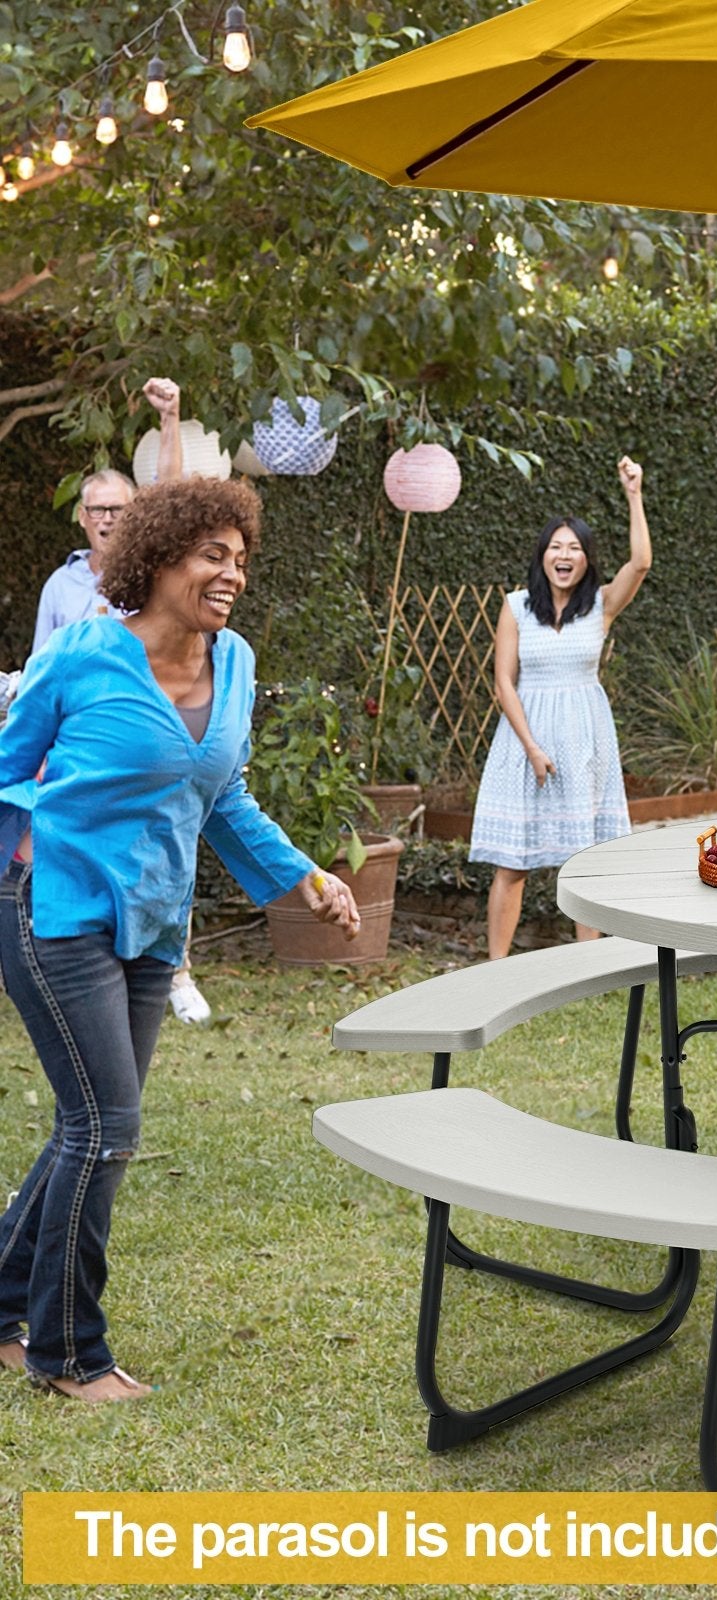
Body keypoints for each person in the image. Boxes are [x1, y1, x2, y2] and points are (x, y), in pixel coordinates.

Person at [0, 478, 359, 1401]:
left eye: (240, 558)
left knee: (88, 1127)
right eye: (212, 555)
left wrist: (308, 880)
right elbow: (6, 769)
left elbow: (223, 797)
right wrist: (27, 835)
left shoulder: (232, 661)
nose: (231, 574)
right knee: (105, 1127)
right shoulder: (81, 655)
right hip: (57, 909)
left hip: (156, 924)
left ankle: (4, 1308)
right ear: (158, 560)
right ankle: (67, 1355)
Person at [32, 378, 214, 1027]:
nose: (107, 517)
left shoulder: (154, 572)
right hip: (86, 747)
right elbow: (39, 676)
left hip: (152, 737)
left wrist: (170, 420)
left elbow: (174, 499)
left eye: (118, 508)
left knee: (167, 845)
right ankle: (79, 967)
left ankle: (176, 970)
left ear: (135, 514)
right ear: (82, 517)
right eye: (96, 509)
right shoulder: (62, 585)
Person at [470, 456, 652, 956]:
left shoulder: (601, 607)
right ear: (543, 555)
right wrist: (531, 747)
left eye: (575, 548)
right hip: (524, 738)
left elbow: (640, 563)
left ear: (587, 559)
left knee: (584, 858)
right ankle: (496, 968)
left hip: (584, 737)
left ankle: (588, 967)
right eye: (556, 546)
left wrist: (633, 493)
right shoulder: (515, 606)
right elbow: (503, 681)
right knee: (513, 861)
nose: (565, 555)